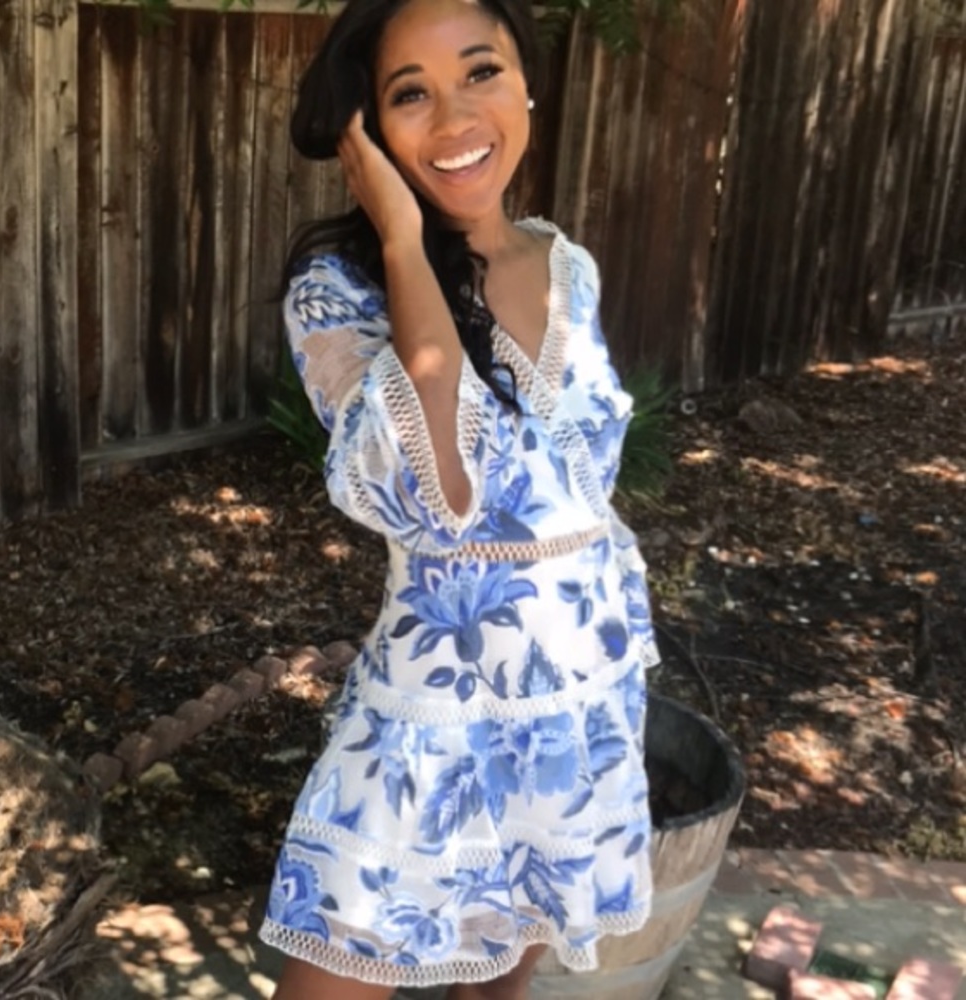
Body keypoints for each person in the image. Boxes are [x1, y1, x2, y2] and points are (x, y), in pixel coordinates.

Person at [259, 0, 660, 996]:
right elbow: (439, 489)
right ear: (369, 130)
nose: (453, 118)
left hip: (580, 703)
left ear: (526, 82)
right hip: (427, 725)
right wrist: (400, 235)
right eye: (409, 94)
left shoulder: (567, 267)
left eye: (480, 72)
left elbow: (579, 493)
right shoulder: (339, 286)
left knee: (501, 985)